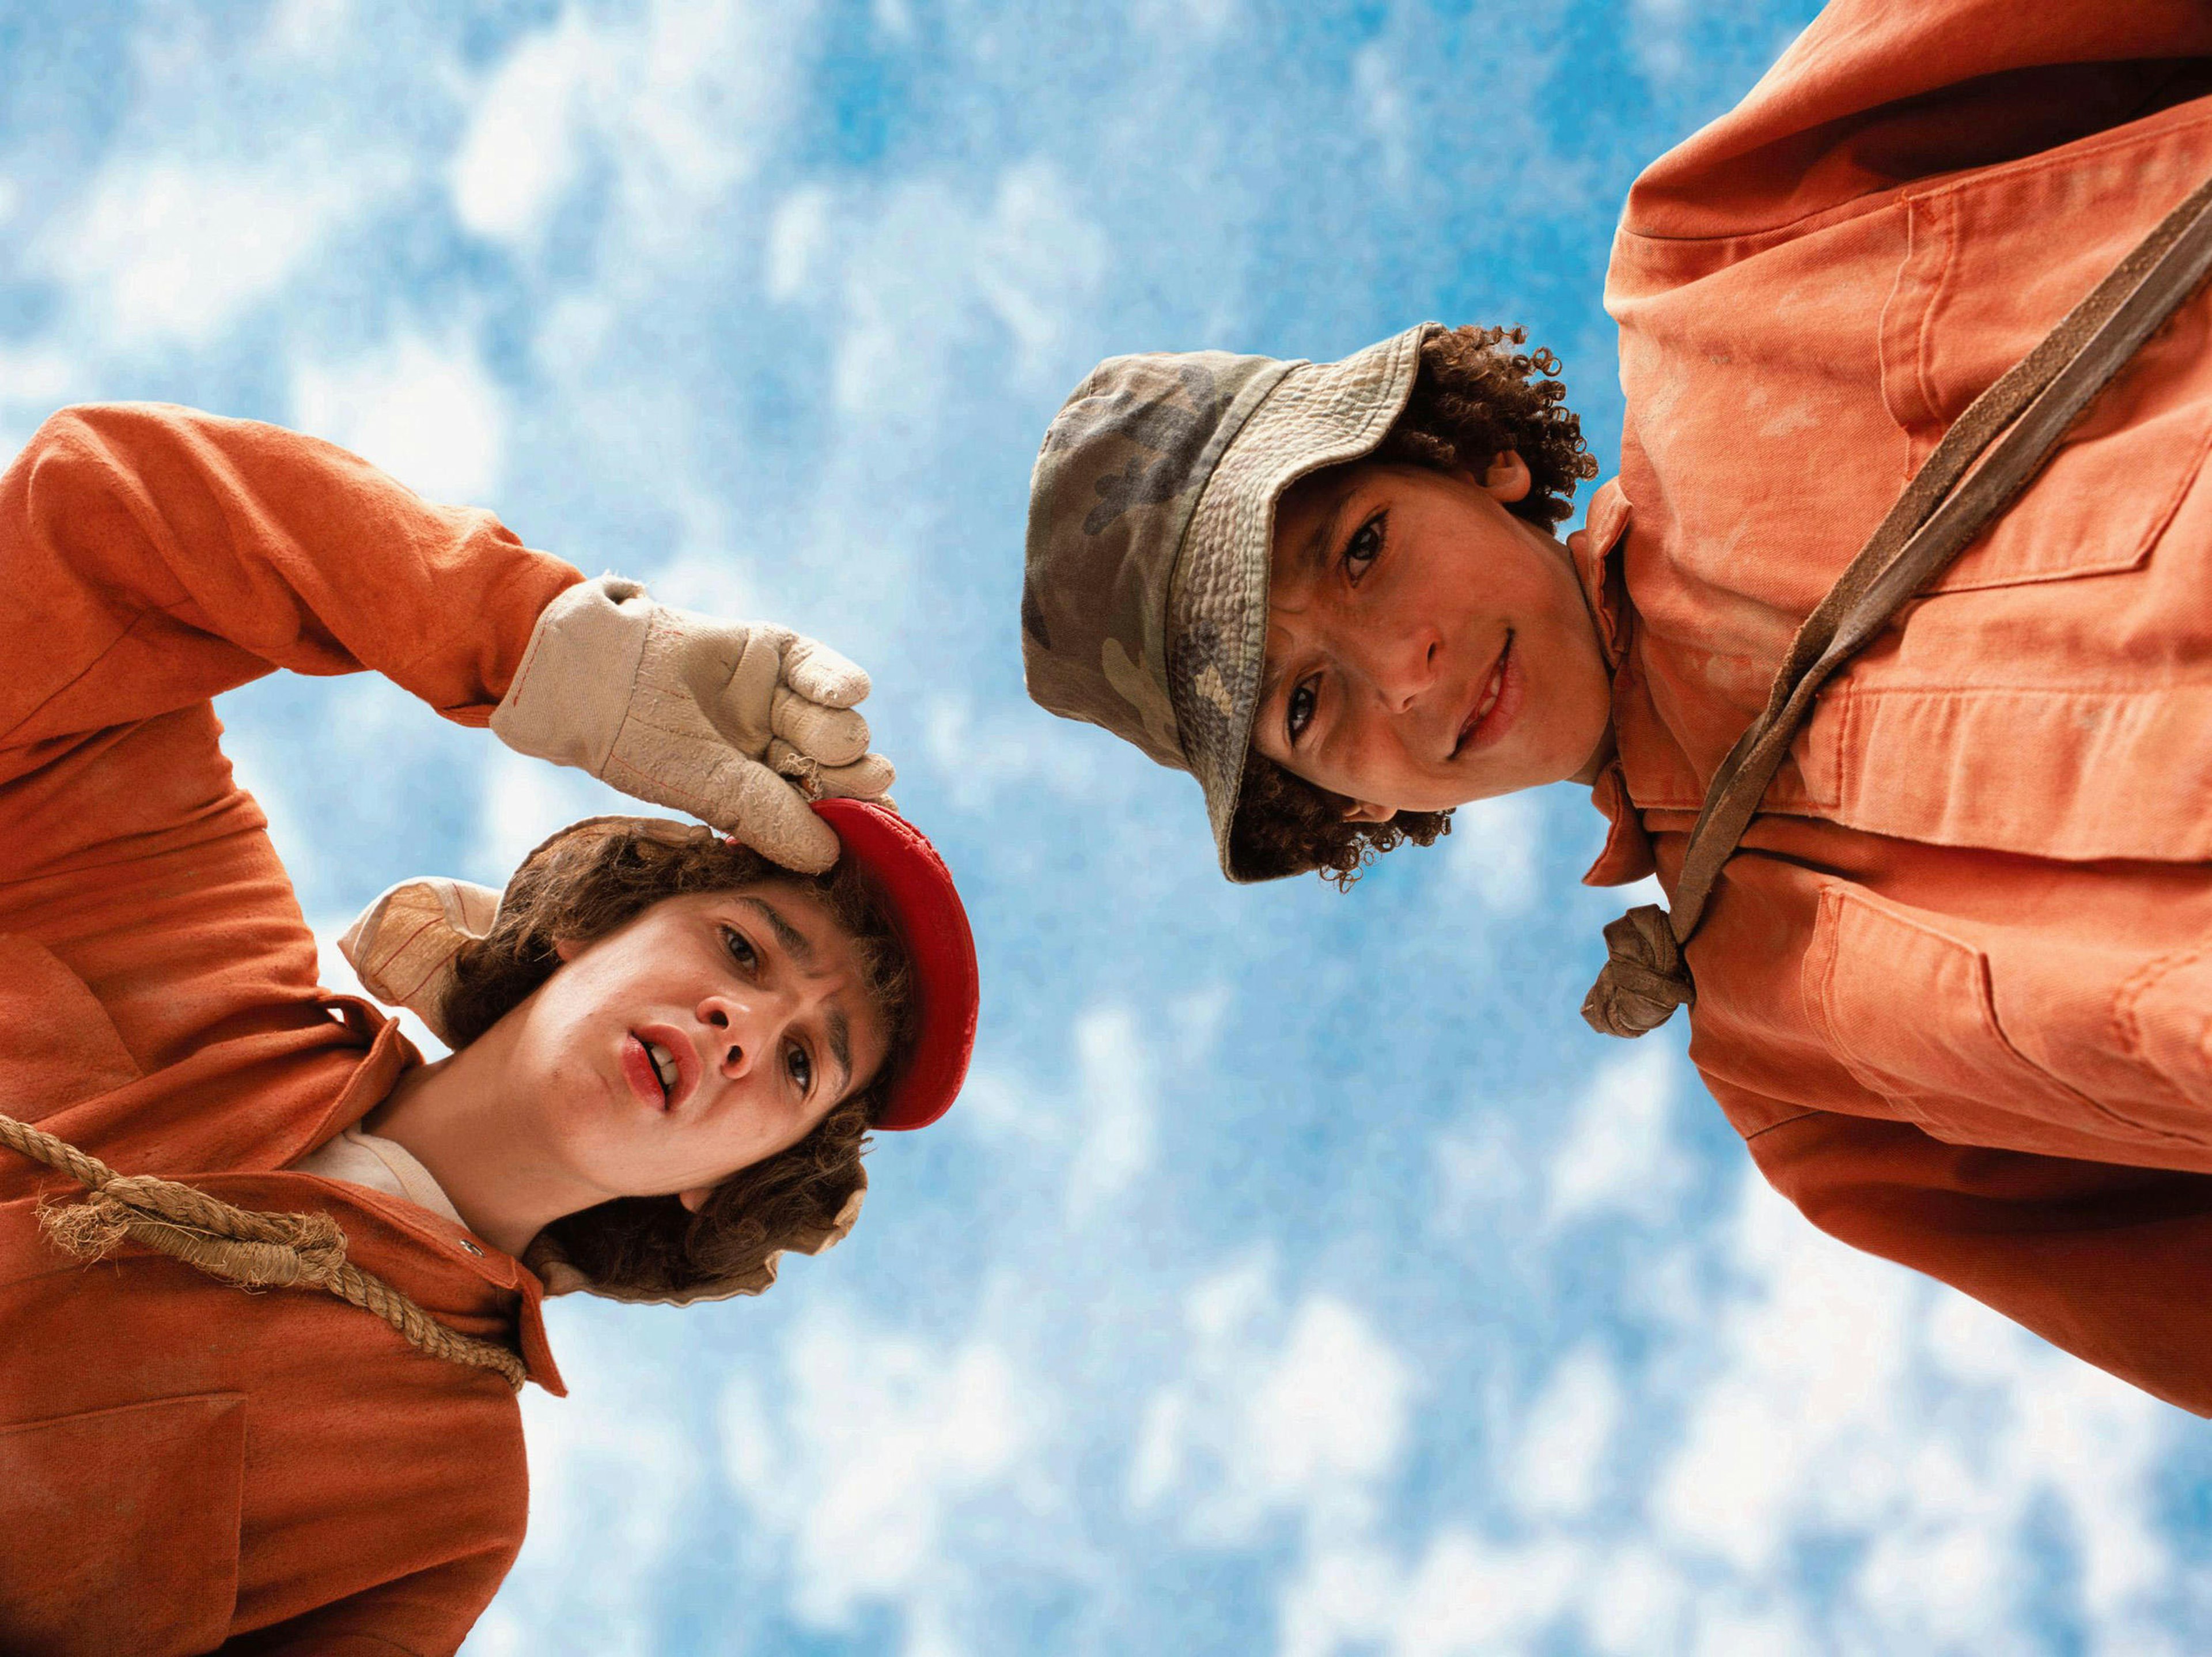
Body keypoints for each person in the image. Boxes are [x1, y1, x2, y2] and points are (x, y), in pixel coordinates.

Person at [1021, 0, 2212, 1413]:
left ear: (1465, 458)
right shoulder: (1808, 1096)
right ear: (1350, 803)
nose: (1404, 672)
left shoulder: (1733, 252)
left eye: (1361, 548)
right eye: (1306, 706)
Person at [0, 403, 980, 1655]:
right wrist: (528, 640)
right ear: (595, 923)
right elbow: (91, 518)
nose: (742, 1024)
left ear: (729, 1185)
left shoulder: (443, 1510)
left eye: (800, 1062)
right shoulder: (179, 916)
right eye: (742, 947)